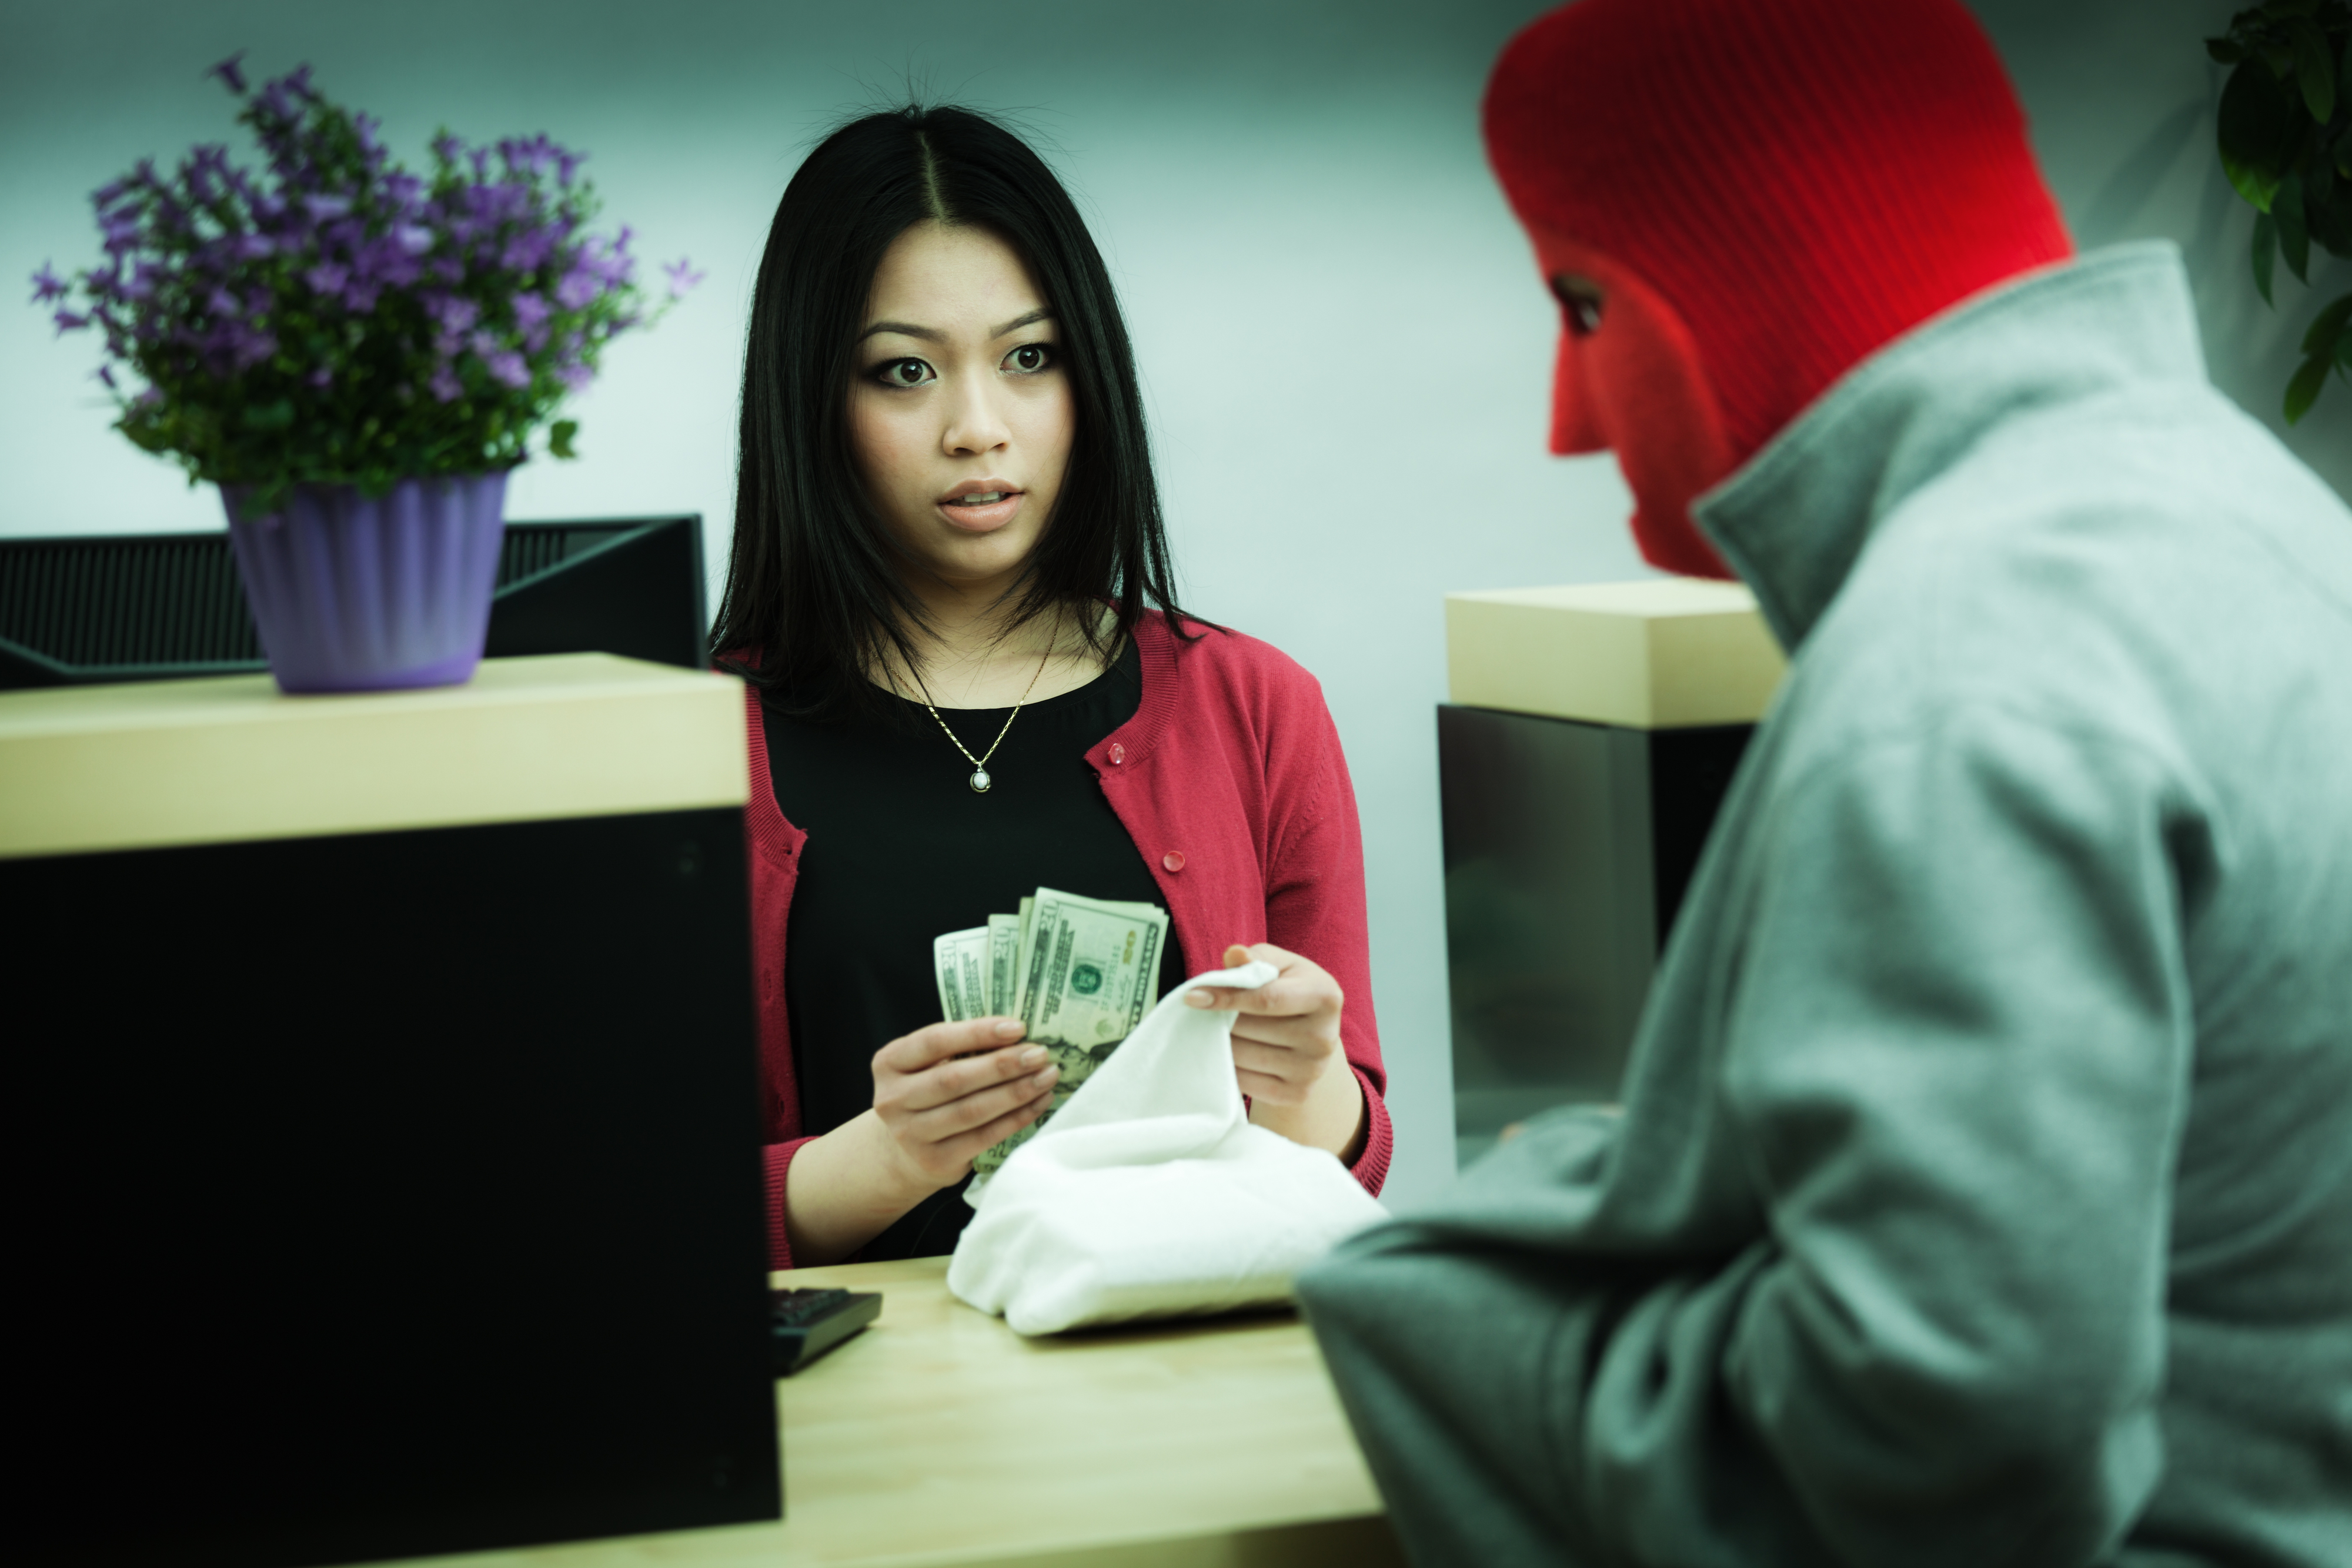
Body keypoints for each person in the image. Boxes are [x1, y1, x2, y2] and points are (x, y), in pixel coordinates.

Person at [1295, 2, 2352, 1564]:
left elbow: (1943, 1445)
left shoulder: (1958, 672)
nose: (1567, 423)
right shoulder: (2260, 517)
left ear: (1716, 280)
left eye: (1580, 307)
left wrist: (1434, 1312)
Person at [711, 106, 1390, 1270]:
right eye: (904, 371)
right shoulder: (688, 742)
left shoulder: (1255, 702)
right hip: (868, 1411)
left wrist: (1313, 1081)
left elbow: (1352, 1156)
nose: (978, 428)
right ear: (811, 401)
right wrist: (881, 1154)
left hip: (1190, 1371)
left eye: (1029, 358)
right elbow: (622, 1207)